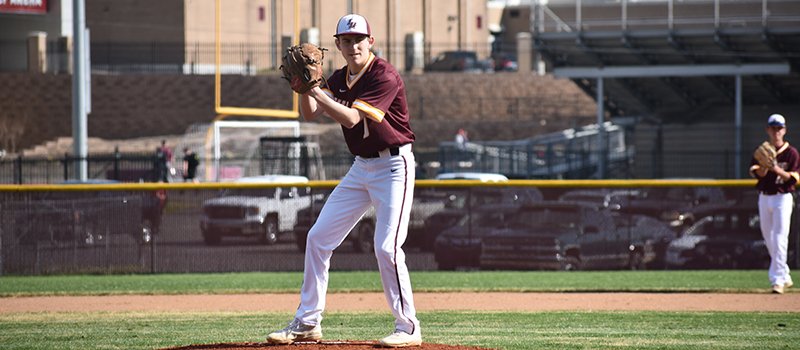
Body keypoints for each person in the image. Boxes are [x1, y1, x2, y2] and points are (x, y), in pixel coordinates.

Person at [267, 14, 421, 347]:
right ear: (337, 45)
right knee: (318, 238)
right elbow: (310, 113)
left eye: (359, 39)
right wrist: (304, 89)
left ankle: (408, 327)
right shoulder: (338, 78)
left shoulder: (384, 75)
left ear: (371, 41)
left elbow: (351, 119)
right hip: (361, 167)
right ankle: (307, 322)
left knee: (387, 248)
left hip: (395, 167)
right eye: (346, 40)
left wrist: (315, 89)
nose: (353, 46)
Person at [749, 113, 798, 294]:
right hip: (764, 196)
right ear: (768, 130)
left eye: (779, 128)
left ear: (784, 130)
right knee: (768, 238)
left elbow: (793, 178)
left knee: (779, 238)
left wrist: (775, 168)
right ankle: (784, 274)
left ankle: (777, 280)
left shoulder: (791, 153)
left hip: (782, 197)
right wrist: (764, 166)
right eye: (773, 128)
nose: (776, 131)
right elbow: (757, 173)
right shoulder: (762, 150)